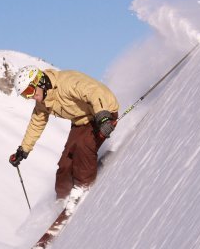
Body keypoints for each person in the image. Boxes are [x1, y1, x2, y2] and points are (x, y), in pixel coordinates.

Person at [8, 66, 119, 200]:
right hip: (81, 121)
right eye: (26, 95)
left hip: (103, 112)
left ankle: (83, 189)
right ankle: (62, 199)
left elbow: (94, 91)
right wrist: (23, 150)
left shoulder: (66, 82)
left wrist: (104, 117)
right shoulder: (43, 101)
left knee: (83, 146)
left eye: (30, 91)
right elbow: (36, 123)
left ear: (39, 81)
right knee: (65, 163)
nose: (31, 97)